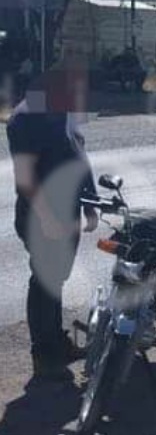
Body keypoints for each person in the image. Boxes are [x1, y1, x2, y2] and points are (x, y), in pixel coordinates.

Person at [8, 67, 98, 382]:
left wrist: (90, 203)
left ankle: (56, 342)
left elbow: (79, 156)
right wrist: (46, 218)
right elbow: (26, 178)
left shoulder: (62, 113)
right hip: (42, 216)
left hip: (68, 212)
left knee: (55, 280)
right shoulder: (25, 118)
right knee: (44, 281)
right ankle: (44, 354)